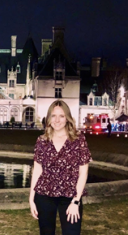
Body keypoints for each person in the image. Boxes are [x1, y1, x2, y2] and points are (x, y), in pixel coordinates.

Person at [29, 100, 92, 235]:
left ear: (67, 118)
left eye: (61, 116)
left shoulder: (78, 140)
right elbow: (37, 171)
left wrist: (76, 201)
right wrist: (31, 199)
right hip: (44, 194)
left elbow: (83, 172)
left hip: (70, 195)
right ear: (48, 118)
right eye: (53, 116)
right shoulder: (42, 141)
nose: (57, 120)